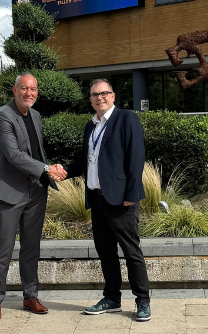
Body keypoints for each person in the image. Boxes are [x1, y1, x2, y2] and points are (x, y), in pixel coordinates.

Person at [61, 79, 151, 323]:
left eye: (104, 93)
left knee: (132, 252)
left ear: (112, 96)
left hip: (121, 200)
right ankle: (112, 298)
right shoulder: (91, 126)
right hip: (97, 198)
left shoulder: (126, 118)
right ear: (90, 100)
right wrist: (65, 170)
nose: (99, 98)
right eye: (94, 95)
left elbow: (136, 159)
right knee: (106, 252)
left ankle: (142, 301)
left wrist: (131, 196)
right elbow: (84, 160)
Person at [0, 74, 68, 321]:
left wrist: (48, 167)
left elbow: (35, 151)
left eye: (33, 89)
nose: (29, 93)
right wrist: (45, 169)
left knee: (31, 247)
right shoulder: (2, 116)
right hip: (10, 192)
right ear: (15, 90)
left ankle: (30, 296)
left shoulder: (35, 115)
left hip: (36, 191)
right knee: (4, 248)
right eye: (24, 88)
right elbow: (14, 155)